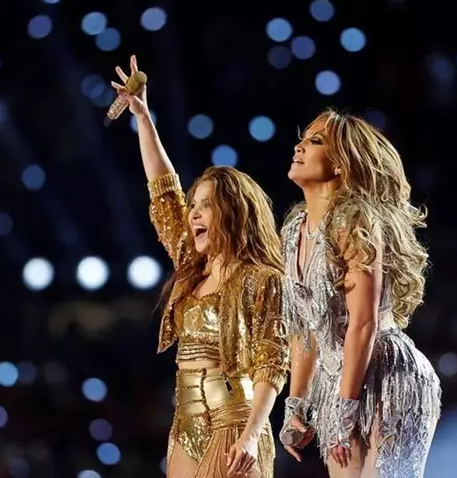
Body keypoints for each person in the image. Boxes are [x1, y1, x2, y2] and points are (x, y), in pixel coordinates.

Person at [112, 55, 288, 478]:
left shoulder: (262, 280)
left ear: (235, 213)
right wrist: (143, 118)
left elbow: (272, 363)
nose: (192, 213)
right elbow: (163, 193)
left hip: (236, 422)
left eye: (206, 205)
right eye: (193, 205)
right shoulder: (192, 267)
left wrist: (251, 435)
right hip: (186, 422)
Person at [278, 109, 441, 478]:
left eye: (314, 141)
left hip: (386, 376)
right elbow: (303, 330)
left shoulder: (354, 220)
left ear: (340, 164)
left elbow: (363, 322)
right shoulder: (292, 231)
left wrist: (346, 406)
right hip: (335, 382)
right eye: (302, 139)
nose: (299, 147)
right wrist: (296, 405)